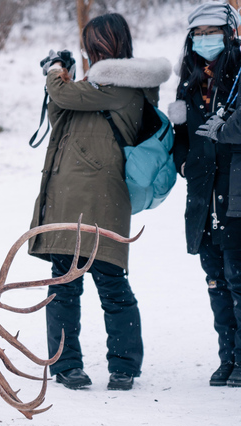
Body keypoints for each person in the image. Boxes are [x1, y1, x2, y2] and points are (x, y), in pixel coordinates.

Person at [28, 13, 171, 391]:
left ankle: (122, 366)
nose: (88, 51)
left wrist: (55, 74)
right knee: (65, 285)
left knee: (109, 284)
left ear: (106, 46)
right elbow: (61, 116)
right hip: (68, 197)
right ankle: (67, 365)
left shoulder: (125, 86)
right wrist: (66, 76)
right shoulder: (97, 87)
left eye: (91, 45)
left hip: (101, 199)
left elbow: (63, 95)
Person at [171, 2, 241, 387]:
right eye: (199, 33)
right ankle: (226, 358)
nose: (205, 40)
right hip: (202, 195)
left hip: (234, 193)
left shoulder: (239, 75)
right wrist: (185, 164)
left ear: (229, 33)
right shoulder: (189, 80)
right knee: (215, 281)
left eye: (213, 32)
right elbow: (180, 138)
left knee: (238, 278)